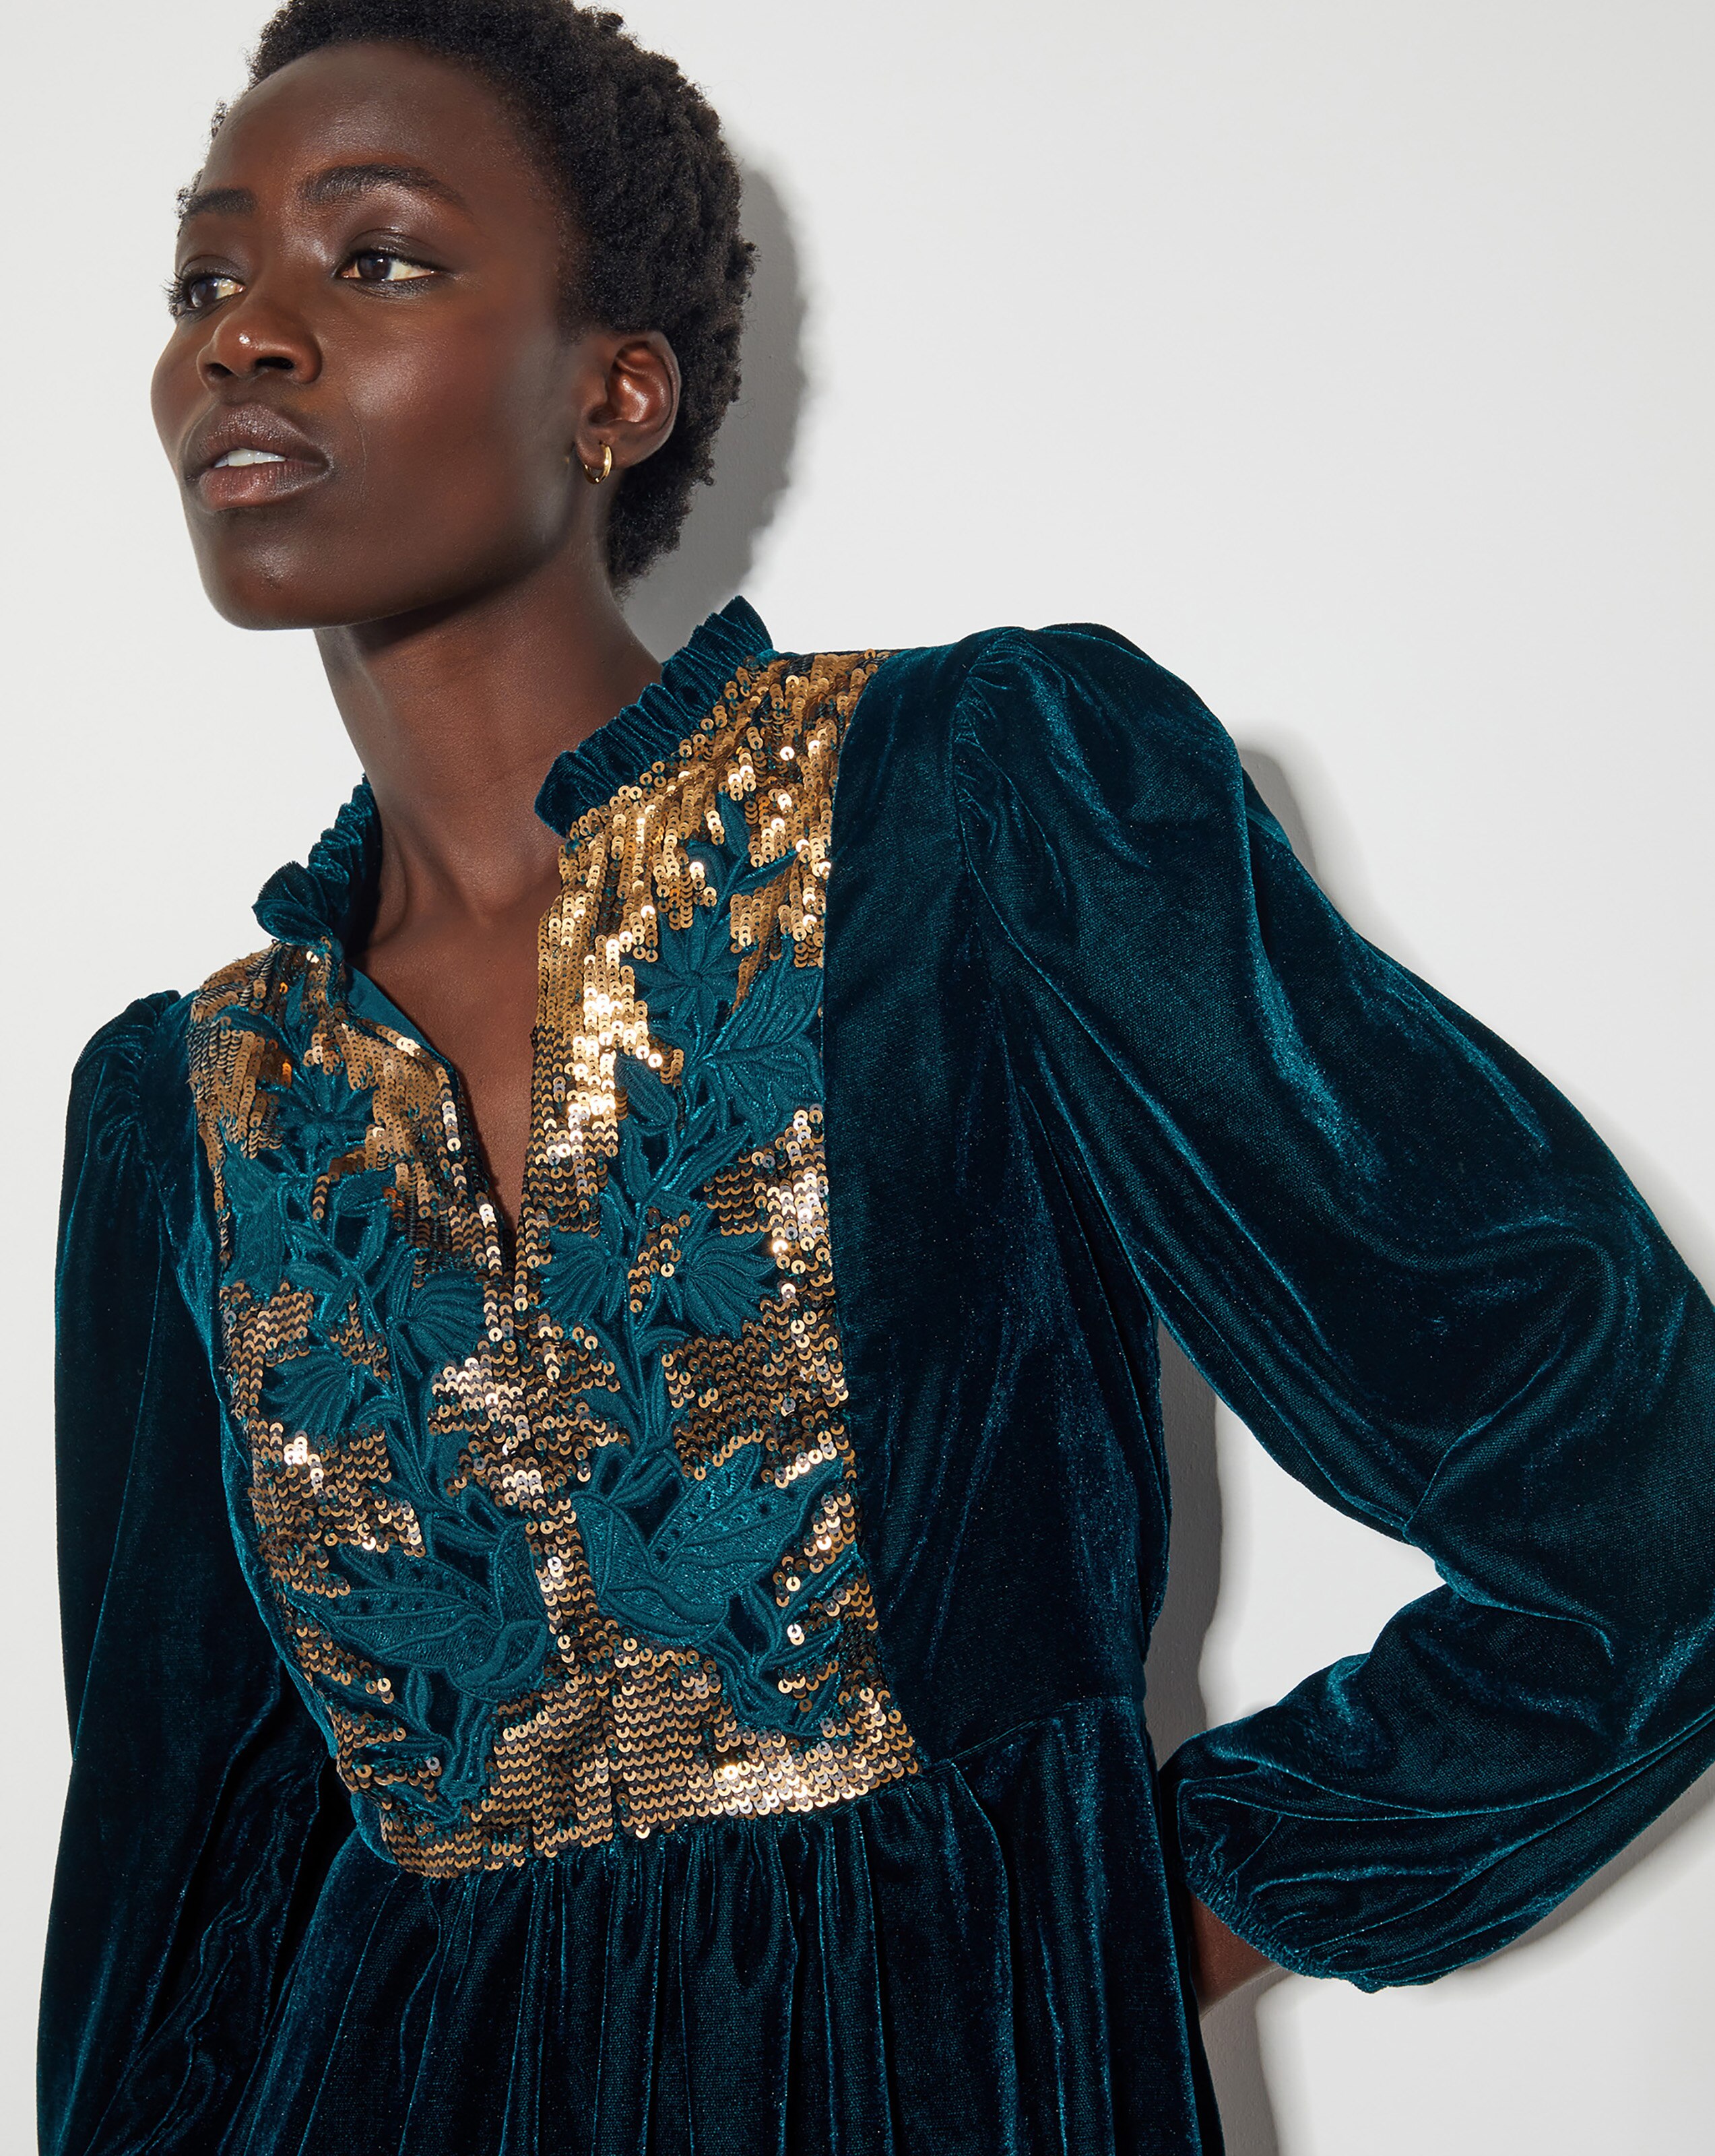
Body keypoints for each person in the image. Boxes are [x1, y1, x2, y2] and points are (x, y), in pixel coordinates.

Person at [38, 2, 1715, 2151]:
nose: (244, 338)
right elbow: (174, 1890)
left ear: (616, 390)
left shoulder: (979, 817)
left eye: (377, 258)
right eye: (203, 278)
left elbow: (1644, 1498)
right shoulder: (192, 1105)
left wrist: (1132, 1928)